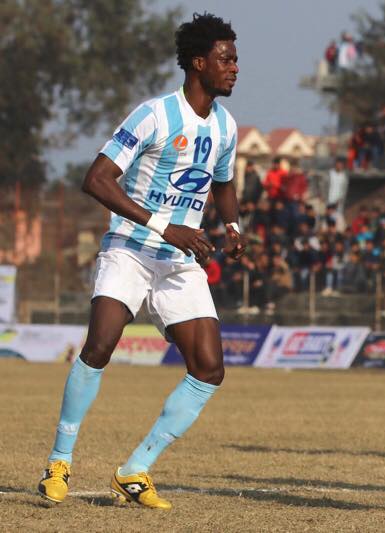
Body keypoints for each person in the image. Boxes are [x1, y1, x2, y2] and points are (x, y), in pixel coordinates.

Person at [37, 13, 245, 510]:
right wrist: (163, 225)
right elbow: (97, 179)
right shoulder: (154, 114)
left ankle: (135, 470)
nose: (235, 68)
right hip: (130, 249)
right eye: (226, 59)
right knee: (100, 345)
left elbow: (222, 182)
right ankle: (59, 462)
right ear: (198, 63)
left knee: (209, 368)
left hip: (179, 260)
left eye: (236, 59)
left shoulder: (226, 125)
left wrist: (233, 226)